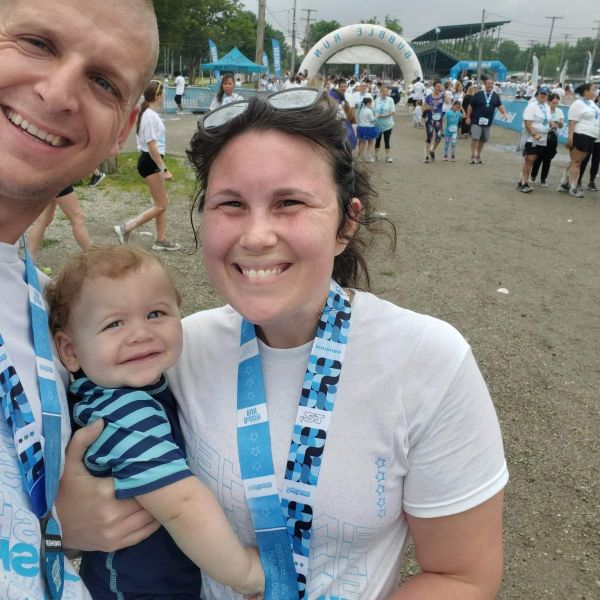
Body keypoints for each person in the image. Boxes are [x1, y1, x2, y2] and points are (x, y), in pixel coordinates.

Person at [58, 88, 509, 599]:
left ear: (347, 221)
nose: (255, 236)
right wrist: (63, 529)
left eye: (289, 202)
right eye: (230, 204)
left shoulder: (428, 361)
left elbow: (461, 576)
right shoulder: (171, 352)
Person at [0, 0, 162, 597]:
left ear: (121, 133)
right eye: (37, 42)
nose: (59, 92)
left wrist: (49, 526)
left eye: (102, 81)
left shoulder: (47, 307)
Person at [46, 245, 264, 598]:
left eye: (156, 313)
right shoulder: (123, 412)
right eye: (114, 323)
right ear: (70, 351)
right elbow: (182, 505)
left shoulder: (135, 386)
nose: (140, 334)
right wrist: (244, 571)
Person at [113, 80, 181, 251]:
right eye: (163, 93)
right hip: (150, 162)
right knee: (161, 204)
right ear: (158, 96)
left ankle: (160, 239)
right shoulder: (149, 116)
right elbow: (151, 146)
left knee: (162, 202)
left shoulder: (149, 114)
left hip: (150, 161)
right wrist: (164, 169)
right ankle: (126, 228)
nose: (164, 96)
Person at [557, 83, 600, 198]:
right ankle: (573, 187)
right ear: (585, 91)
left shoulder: (591, 103)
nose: (595, 92)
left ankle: (564, 183)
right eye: (593, 89)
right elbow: (572, 122)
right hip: (581, 135)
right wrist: (570, 137)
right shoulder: (577, 104)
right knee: (576, 163)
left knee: (575, 162)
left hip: (591, 136)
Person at [27, 186, 92, 256]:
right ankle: (94, 258)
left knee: (43, 221)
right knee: (77, 219)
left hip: (47, 180)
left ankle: (29, 260)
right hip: (58, 180)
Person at [516, 87, 552, 193]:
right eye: (541, 93)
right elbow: (527, 122)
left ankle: (521, 180)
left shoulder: (547, 107)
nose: (543, 96)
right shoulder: (532, 106)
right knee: (529, 159)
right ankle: (524, 183)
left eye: (545, 94)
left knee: (531, 160)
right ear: (537, 95)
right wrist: (534, 134)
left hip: (542, 138)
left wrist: (552, 125)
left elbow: (547, 120)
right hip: (531, 137)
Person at [465, 78, 508, 164]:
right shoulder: (478, 94)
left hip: (487, 122)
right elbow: (470, 106)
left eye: (492, 84)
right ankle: (473, 155)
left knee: (483, 139)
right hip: (476, 120)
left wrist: (504, 113)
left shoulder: (495, 96)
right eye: (488, 84)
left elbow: (500, 106)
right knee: (475, 138)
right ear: (485, 85)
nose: (490, 85)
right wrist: (468, 117)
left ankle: (478, 155)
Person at [531, 92, 564, 187]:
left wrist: (559, 123)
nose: (555, 105)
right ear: (548, 101)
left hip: (552, 136)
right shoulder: (543, 109)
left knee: (548, 158)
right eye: (553, 103)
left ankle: (543, 179)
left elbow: (561, 126)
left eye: (557, 103)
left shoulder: (559, 111)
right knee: (538, 156)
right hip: (542, 134)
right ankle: (533, 176)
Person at [575, 92, 600, 192]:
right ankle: (578, 180)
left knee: (596, 161)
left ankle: (591, 181)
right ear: (598, 98)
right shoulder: (591, 107)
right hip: (589, 136)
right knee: (584, 159)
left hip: (599, 139)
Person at [422, 80, 445, 163]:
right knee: (429, 136)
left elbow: (449, 102)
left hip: (438, 120)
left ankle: (432, 150)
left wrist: (444, 91)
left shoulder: (442, 96)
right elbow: (423, 108)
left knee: (439, 137)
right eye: (437, 86)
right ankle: (426, 155)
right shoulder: (429, 97)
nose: (438, 88)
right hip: (430, 119)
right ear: (434, 87)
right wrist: (428, 108)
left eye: (440, 86)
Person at [373, 85, 396, 163]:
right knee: (377, 140)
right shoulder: (376, 100)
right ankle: (375, 155)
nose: (384, 93)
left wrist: (383, 116)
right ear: (380, 92)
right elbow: (373, 110)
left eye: (385, 91)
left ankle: (388, 156)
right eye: (382, 91)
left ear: (387, 92)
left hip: (387, 124)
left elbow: (393, 112)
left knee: (387, 140)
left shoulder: (390, 100)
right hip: (378, 124)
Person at [356, 96, 378, 162]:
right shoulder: (369, 111)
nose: (371, 104)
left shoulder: (361, 110)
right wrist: (376, 116)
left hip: (362, 127)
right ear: (368, 103)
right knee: (370, 143)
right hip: (369, 128)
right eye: (371, 103)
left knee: (362, 143)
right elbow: (372, 120)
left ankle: (360, 156)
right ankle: (369, 157)